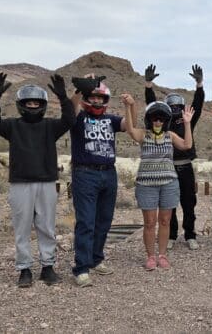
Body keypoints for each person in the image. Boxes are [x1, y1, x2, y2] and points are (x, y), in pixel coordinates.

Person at [0, 73, 74, 287]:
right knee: (22, 227)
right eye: (28, 102)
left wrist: (63, 97)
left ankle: (47, 267)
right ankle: (24, 269)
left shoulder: (51, 126)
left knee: (46, 226)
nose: (32, 105)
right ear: (21, 105)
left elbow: (70, 120)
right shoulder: (12, 126)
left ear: (42, 105)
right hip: (20, 184)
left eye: (36, 102)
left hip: (46, 183)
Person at [69, 75, 137, 287]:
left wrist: (131, 106)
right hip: (85, 173)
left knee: (104, 220)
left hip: (108, 172)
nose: (97, 101)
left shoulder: (111, 120)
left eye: (100, 98)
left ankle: (96, 258)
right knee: (86, 221)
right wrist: (81, 88)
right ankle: (81, 268)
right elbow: (69, 110)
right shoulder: (78, 118)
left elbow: (129, 125)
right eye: (93, 97)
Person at [122, 94, 194, 270]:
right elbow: (130, 129)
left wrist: (187, 123)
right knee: (149, 222)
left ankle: (162, 255)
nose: (158, 122)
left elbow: (187, 145)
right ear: (149, 120)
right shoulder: (143, 135)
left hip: (168, 184)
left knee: (164, 220)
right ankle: (150, 257)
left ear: (166, 121)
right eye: (155, 118)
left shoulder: (169, 135)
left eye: (161, 119)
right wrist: (128, 106)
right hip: (146, 185)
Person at [144, 64, 204, 251]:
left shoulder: (188, 119)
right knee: (168, 203)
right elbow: (152, 106)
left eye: (178, 106)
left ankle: (190, 235)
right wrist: (148, 85)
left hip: (185, 166)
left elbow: (198, 105)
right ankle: (170, 235)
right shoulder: (162, 122)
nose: (176, 108)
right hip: (168, 167)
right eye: (172, 107)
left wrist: (199, 84)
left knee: (188, 202)